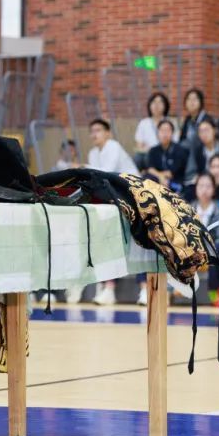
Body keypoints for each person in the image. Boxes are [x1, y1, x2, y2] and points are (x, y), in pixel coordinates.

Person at [87, 118, 139, 305]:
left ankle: (110, 288)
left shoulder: (114, 146)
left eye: (98, 130)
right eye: (92, 131)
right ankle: (106, 287)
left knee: (117, 237)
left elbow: (106, 173)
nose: (95, 134)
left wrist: (84, 168)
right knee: (103, 237)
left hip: (133, 195)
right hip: (112, 198)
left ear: (108, 133)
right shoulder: (93, 153)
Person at [190, 173, 219, 305]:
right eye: (201, 186)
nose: (204, 190)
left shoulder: (218, 209)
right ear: (196, 188)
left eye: (208, 186)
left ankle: (213, 290)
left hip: (210, 247)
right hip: (192, 247)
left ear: (214, 189)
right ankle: (172, 289)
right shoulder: (188, 208)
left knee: (218, 250)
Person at [145, 120, 189, 193]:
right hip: (158, 181)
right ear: (157, 133)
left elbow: (170, 173)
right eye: (162, 130)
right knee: (147, 178)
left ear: (172, 133)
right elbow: (150, 169)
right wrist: (160, 177)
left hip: (175, 183)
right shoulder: (153, 150)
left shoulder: (179, 150)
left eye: (167, 131)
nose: (165, 134)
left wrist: (160, 176)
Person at [134, 92, 173, 169]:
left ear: (165, 106)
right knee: (138, 157)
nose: (156, 105)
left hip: (166, 154)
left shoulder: (170, 122)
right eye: (154, 102)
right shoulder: (144, 123)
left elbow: (174, 143)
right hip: (148, 155)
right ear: (150, 105)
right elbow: (139, 145)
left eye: (160, 102)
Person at [190, 116, 219, 185]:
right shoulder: (198, 151)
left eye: (206, 130)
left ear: (215, 130)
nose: (204, 134)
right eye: (201, 131)